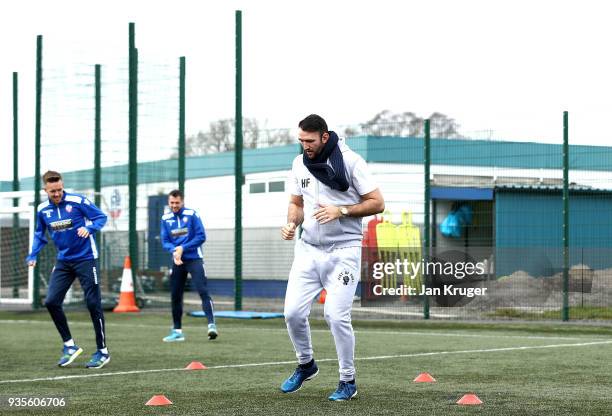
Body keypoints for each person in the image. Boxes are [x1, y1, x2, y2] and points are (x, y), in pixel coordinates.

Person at [280, 114, 385, 401]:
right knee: (292, 313)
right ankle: (306, 364)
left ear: (324, 137)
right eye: (301, 140)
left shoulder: (351, 161)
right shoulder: (299, 163)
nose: (305, 146)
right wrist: (291, 222)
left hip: (344, 251)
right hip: (308, 249)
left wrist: (342, 210)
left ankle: (347, 381)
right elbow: (296, 203)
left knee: (335, 316)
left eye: (310, 141)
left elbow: (378, 203)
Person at [26, 171, 109, 368]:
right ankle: (69, 346)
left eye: (59, 190)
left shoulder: (78, 201)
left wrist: (90, 229)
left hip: (86, 259)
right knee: (51, 301)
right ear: (45, 190)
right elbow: (40, 234)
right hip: (64, 261)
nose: (57, 194)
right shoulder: (42, 209)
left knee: (93, 303)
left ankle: (103, 351)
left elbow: (101, 217)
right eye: (52, 191)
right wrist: (32, 254)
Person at [160, 189, 217, 342]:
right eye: (171, 203)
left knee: (203, 291)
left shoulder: (192, 215)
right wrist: (174, 251)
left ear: (182, 201)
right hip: (177, 261)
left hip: (194, 259)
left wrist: (183, 248)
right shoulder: (165, 219)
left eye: (177, 203)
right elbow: (165, 241)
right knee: (175, 295)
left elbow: (201, 236)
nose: (174, 206)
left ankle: (211, 325)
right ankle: (177, 331)